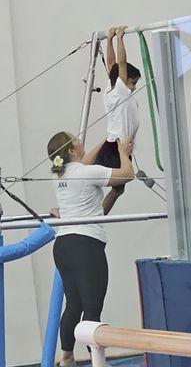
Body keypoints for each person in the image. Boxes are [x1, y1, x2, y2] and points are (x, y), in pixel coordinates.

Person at [47, 131, 133, 366]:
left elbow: (98, 212)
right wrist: (124, 154)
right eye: (76, 139)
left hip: (63, 247)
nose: (80, 139)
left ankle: (66, 357)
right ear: (72, 150)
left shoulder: (60, 173)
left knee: (74, 304)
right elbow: (127, 175)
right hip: (86, 247)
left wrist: (104, 142)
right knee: (93, 308)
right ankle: (98, 361)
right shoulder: (86, 173)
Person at [94, 26, 141, 202]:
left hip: (114, 145)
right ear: (123, 81)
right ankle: (95, 215)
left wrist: (109, 39)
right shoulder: (121, 92)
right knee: (116, 187)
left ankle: (96, 214)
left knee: (117, 190)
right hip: (118, 148)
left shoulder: (110, 89)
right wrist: (120, 38)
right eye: (132, 83)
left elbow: (112, 65)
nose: (134, 87)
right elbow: (121, 63)